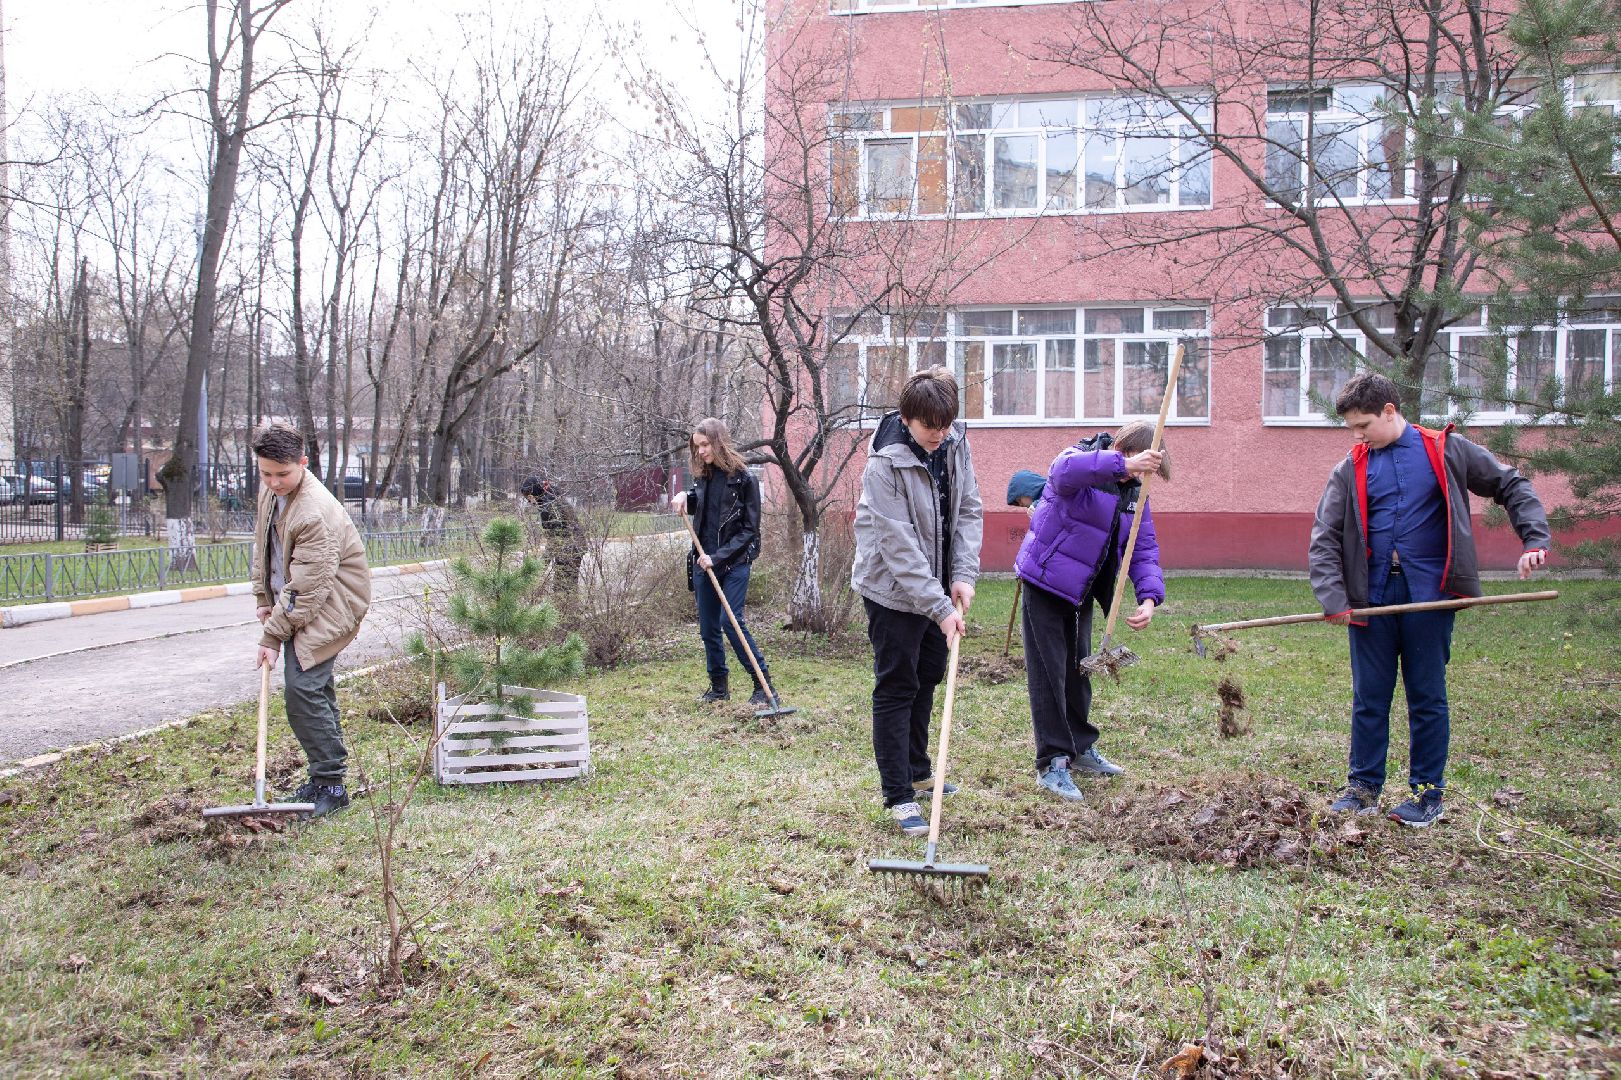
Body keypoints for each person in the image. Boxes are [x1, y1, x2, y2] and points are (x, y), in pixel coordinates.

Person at [1309, 372, 1549, 827]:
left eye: (1363, 426)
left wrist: (1534, 539)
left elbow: (1511, 484)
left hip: (1430, 596)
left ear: (1390, 411)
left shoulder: (1445, 449)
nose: (1357, 437)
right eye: (1352, 430)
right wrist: (1333, 596)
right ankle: (1362, 788)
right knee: (1369, 697)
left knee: (1426, 696)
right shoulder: (1351, 467)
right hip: (1370, 600)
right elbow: (1324, 537)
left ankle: (1426, 795)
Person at [851, 367, 984, 837]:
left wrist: (962, 576)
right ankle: (899, 795)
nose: (940, 435)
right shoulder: (883, 464)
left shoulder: (954, 443)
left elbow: (968, 508)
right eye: (932, 428)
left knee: (928, 675)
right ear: (907, 419)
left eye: (947, 425)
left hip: (939, 588)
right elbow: (898, 544)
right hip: (893, 589)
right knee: (897, 684)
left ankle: (919, 769)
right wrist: (939, 607)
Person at [1014, 423, 1167, 802]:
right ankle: (1052, 761)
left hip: (1082, 590)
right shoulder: (1081, 460)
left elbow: (1142, 545)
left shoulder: (1136, 491)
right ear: (1122, 448)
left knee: (1077, 671)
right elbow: (1061, 472)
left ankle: (1080, 748)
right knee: (1049, 674)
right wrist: (1121, 464)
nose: (1144, 478)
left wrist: (1149, 597)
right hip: (1046, 581)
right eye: (1142, 467)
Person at [249, 424, 372, 818]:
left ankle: (330, 785)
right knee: (313, 689)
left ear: (303, 463)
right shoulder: (272, 492)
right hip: (300, 597)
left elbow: (309, 589)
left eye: (282, 474)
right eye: (265, 473)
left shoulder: (313, 512)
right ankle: (326, 777)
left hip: (333, 602)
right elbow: (264, 548)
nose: (273, 481)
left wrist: (271, 636)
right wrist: (263, 598)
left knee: (303, 689)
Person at [673, 418, 774, 705]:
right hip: (703, 563)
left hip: (734, 563)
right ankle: (719, 688)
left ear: (718, 442)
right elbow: (701, 503)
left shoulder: (745, 479)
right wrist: (684, 495)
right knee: (708, 628)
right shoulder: (704, 477)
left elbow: (749, 531)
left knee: (731, 622)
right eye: (697, 446)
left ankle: (763, 687)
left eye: (705, 445)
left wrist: (716, 557)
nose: (701, 451)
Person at [519, 473, 584, 595]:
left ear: (534, 492)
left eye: (528, 496)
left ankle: (569, 612)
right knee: (566, 588)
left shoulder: (548, 504)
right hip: (572, 546)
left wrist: (540, 567)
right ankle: (571, 611)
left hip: (569, 549)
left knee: (562, 590)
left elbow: (556, 537)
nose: (528, 500)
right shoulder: (551, 494)